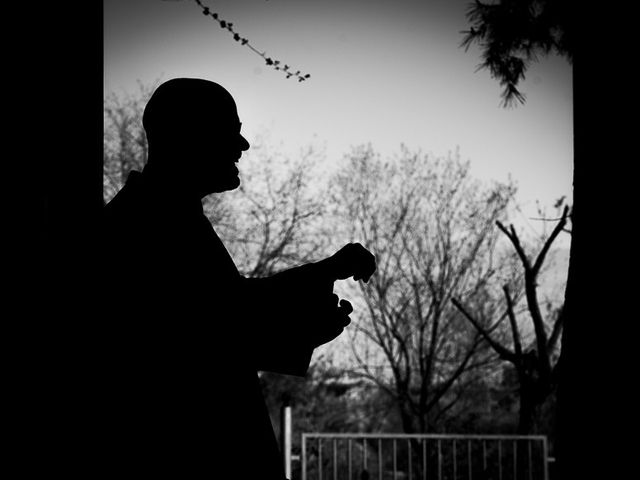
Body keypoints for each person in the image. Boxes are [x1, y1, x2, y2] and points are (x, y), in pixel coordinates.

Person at [101, 77, 376, 479]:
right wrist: (304, 319)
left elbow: (220, 314)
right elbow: (203, 340)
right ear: (188, 136)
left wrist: (321, 279)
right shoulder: (144, 226)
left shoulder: (161, 218)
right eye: (230, 132)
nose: (242, 146)